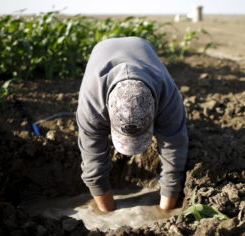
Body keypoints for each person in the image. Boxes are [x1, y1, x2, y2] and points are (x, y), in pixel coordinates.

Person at [76, 37, 188, 212]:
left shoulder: (168, 96)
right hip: (102, 50)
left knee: (175, 130)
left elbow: (174, 147)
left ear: (155, 113)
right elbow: (93, 165)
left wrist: (165, 210)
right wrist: (107, 213)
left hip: (141, 45)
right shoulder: (92, 108)